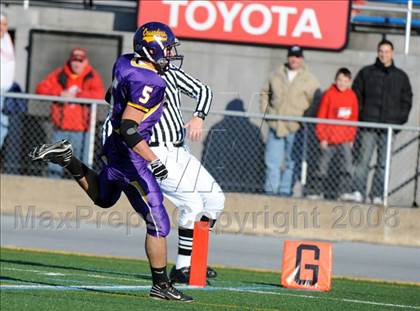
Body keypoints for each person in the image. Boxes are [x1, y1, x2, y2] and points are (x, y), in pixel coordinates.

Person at [29, 22, 193, 302]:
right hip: (132, 157)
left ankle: (69, 160)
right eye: (166, 49)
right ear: (150, 48)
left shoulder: (125, 62)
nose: (169, 54)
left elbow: (110, 96)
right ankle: (161, 285)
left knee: (104, 198)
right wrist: (152, 160)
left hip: (114, 147)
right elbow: (131, 127)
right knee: (158, 223)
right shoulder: (151, 81)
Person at [103, 61, 225, 284]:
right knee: (192, 204)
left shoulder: (171, 74)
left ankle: (195, 260)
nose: (170, 54)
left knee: (215, 200)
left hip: (180, 149)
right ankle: (183, 267)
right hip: (154, 150)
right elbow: (111, 98)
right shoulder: (136, 77)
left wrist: (199, 116)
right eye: (167, 48)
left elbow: (204, 91)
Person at [350, 39, 413, 204]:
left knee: (383, 164)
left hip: (388, 128)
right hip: (368, 126)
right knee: (363, 161)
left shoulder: (401, 77)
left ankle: (377, 195)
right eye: (381, 51)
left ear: (392, 53)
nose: (383, 54)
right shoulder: (366, 73)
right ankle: (358, 191)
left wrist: (397, 123)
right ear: (377, 52)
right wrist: (362, 117)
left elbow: (407, 101)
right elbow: (356, 95)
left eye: (387, 51)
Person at [260, 45, 320, 196]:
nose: (294, 59)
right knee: (272, 161)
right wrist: (267, 113)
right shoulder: (276, 74)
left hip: (296, 127)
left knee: (291, 162)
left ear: (302, 59)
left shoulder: (310, 79)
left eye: (297, 56)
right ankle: (270, 192)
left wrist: (305, 118)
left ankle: (285, 192)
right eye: (292, 56)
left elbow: (317, 99)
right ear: (288, 57)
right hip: (276, 124)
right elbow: (264, 93)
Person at [36, 47, 105, 178]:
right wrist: (59, 94)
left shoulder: (92, 76)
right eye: (74, 60)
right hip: (60, 129)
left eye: (80, 60)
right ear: (70, 60)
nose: (77, 63)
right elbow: (40, 89)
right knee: (55, 164)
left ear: (85, 61)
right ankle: (52, 188)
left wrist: (78, 95)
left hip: (83, 130)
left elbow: (99, 95)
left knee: (81, 165)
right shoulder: (60, 73)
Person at [310, 68, 358, 200]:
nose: (342, 83)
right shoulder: (329, 94)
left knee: (347, 165)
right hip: (329, 138)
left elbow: (353, 118)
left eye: (345, 81)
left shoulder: (352, 96)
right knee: (322, 166)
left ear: (349, 82)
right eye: (339, 80)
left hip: (345, 139)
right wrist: (322, 137)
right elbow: (321, 117)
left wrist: (351, 138)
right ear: (335, 80)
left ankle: (344, 192)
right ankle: (316, 191)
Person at [0, 12, 15, 149]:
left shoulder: (7, 39)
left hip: (6, 91)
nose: (1, 28)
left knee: (3, 125)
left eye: (4, 24)